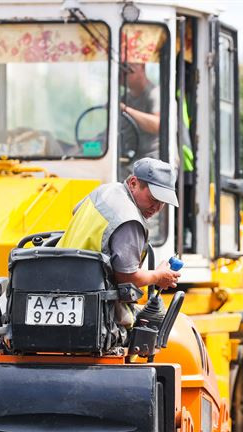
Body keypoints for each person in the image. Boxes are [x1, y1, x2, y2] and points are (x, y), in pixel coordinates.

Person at [57, 158, 180, 324]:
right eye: (153, 198)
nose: (157, 208)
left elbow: (76, 210)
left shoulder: (105, 190)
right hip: (91, 302)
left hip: (59, 280)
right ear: (134, 183)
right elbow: (127, 277)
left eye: (162, 202)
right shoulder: (130, 220)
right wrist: (158, 276)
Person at [120, 63, 160, 160]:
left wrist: (125, 110)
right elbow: (113, 131)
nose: (122, 73)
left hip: (155, 163)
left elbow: (157, 125)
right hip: (132, 160)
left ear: (142, 67)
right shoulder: (125, 99)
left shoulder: (155, 94)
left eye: (127, 68)